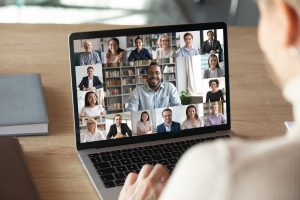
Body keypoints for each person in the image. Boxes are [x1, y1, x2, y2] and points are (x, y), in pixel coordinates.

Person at [119, 0, 300, 199]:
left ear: (285, 23)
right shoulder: (139, 91)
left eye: (263, 16)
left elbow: (176, 106)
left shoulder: (219, 170)